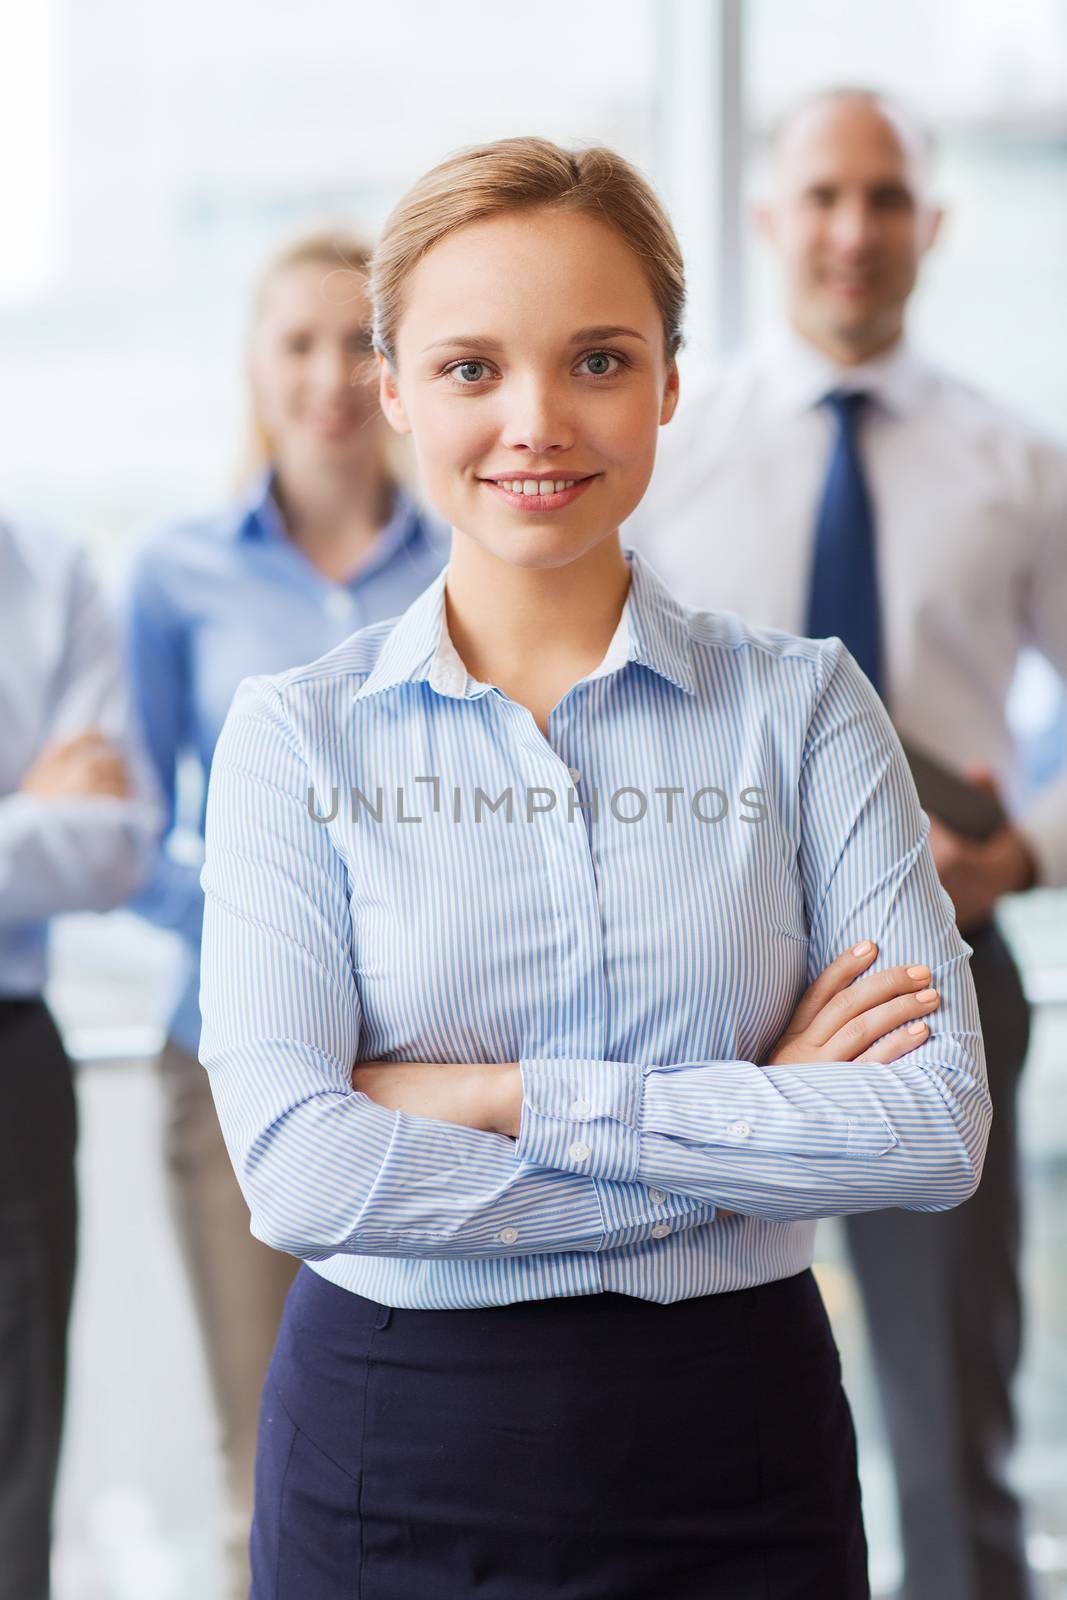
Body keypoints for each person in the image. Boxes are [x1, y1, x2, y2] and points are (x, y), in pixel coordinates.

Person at [198, 137, 992, 1600]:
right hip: (397, 1447)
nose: (536, 421)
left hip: (734, 1444)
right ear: (391, 392)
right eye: (468, 369)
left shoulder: (805, 708)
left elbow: (929, 1131)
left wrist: (513, 1102)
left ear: (670, 383)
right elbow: (300, 1171)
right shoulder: (294, 737)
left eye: (599, 360)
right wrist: (743, 1145)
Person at [627, 89, 1067, 1600]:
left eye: (883, 199)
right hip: (701, 990)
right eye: (820, 196)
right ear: (766, 220)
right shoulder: (668, 453)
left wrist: (1021, 857)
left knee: (951, 1426)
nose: (850, 230)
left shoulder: (1014, 461)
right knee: (677, 1404)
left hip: (938, 976)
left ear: (928, 226)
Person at [124, 229, 446, 1600]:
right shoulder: (176, 574)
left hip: (445, 1063)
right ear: (256, 369)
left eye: (358, 342)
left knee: (436, 1453)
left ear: (400, 373)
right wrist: (273, 913)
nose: (328, 375)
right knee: (264, 1452)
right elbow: (134, 834)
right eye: (297, 343)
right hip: (235, 1064)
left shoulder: (467, 557)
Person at [1, 518, 158, 1600]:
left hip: (10, 1055)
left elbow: (110, 845)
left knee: (13, 1465)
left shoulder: (50, 574)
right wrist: (23, 817)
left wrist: (63, 821)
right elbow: (56, 836)